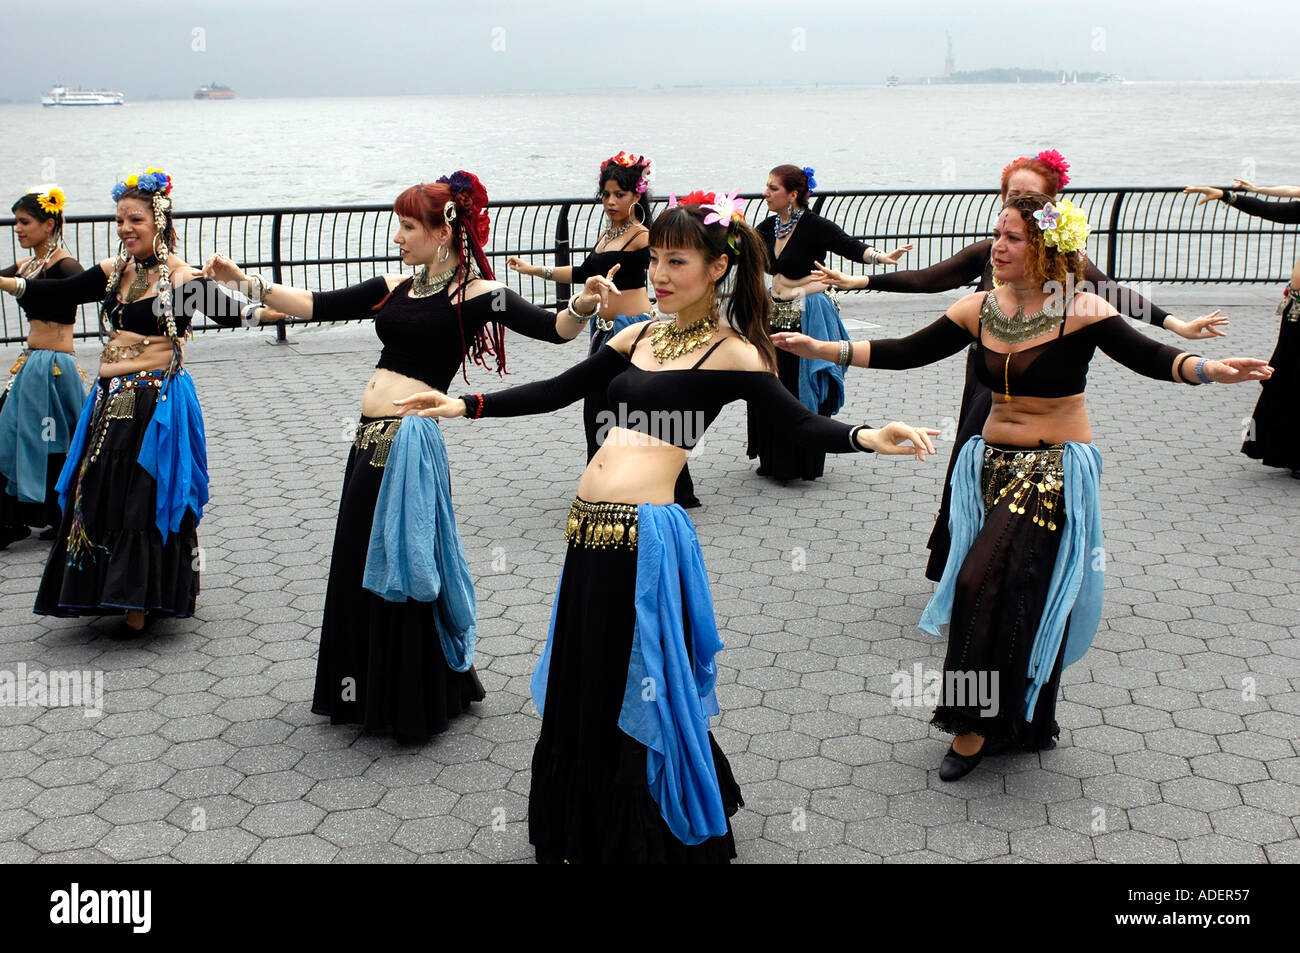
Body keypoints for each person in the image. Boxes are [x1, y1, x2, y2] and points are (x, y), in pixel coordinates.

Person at [395, 188, 938, 863]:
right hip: (587, 533)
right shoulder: (639, 333)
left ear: (717, 268)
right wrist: (465, 403)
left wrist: (865, 434)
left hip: (643, 541)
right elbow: (557, 391)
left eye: (675, 260)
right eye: (654, 259)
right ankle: (581, 822)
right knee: (585, 674)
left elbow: (795, 421)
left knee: (639, 676)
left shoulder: (731, 351)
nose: (658, 273)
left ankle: (640, 833)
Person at [774, 191, 1272, 781]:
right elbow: (908, 351)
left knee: (978, 581)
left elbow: (1153, 357)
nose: (997, 247)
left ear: (1044, 247)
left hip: (1051, 469)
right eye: (997, 235)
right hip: (988, 465)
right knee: (1015, 593)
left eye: (1011, 237)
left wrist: (1211, 368)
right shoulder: (980, 307)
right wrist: (820, 348)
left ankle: (971, 726)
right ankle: (1024, 718)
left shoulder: (1082, 310)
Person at [204, 172, 593, 741]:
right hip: (367, 437)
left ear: (445, 230)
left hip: (408, 440)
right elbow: (312, 304)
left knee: (401, 556)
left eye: (408, 227)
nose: (398, 237)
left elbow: (556, 331)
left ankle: (410, 699)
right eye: (399, 225)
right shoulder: (395, 285)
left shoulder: (481, 295)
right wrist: (245, 282)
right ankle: (366, 688)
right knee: (365, 552)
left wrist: (581, 304)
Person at [818, 151, 1229, 580]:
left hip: (1049, 456)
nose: (1004, 236)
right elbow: (921, 303)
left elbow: (1131, 327)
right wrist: (841, 319)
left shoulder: (1077, 293)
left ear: (1049, 214)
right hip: (989, 382)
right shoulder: (983, 284)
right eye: (1011, 197)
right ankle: (961, 565)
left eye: (1028, 199)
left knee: (1007, 572)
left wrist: (1187, 344)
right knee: (982, 535)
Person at [0, 169, 250, 637]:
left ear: (158, 220)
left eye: (134, 219)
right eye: (119, 220)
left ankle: (141, 600)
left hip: (154, 400)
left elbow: (241, 314)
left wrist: (264, 292)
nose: (124, 229)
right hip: (108, 396)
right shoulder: (117, 271)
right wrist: (9, 283)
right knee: (98, 490)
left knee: (143, 494)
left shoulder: (182, 277)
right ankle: (101, 589)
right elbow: (57, 291)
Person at [507, 152, 701, 507]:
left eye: (620, 194)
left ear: (637, 196)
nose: (611, 202)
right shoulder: (608, 235)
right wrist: (534, 270)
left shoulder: (644, 237)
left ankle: (664, 486)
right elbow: (582, 273)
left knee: (640, 408)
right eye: (606, 194)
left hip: (635, 330)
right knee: (598, 408)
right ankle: (606, 484)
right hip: (603, 330)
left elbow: (675, 265)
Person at [747, 164, 912, 482]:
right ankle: (774, 461)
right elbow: (742, 249)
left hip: (809, 313)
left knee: (799, 385)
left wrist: (882, 258)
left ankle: (801, 463)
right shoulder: (769, 227)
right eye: (766, 187)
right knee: (771, 383)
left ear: (793, 194)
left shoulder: (812, 226)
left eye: (773, 188)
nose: (765, 193)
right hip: (774, 315)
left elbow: (848, 245)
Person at [1185, 178, 1300, 477]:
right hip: (1296, 308)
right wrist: (1233, 194)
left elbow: (1280, 204)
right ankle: (1286, 451)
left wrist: (1234, 195)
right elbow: (1281, 198)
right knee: (1285, 372)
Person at [0, 186, 87, 548]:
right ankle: (44, 516)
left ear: (48, 223)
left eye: (24, 222)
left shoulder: (65, 264)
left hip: (53, 367)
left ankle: (34, 519)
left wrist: (15, 285)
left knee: (48, 439)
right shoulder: (29, 264)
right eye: (15, 223)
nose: (17, 229)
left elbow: (68, 293)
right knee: (44, 440)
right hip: (34, 364)